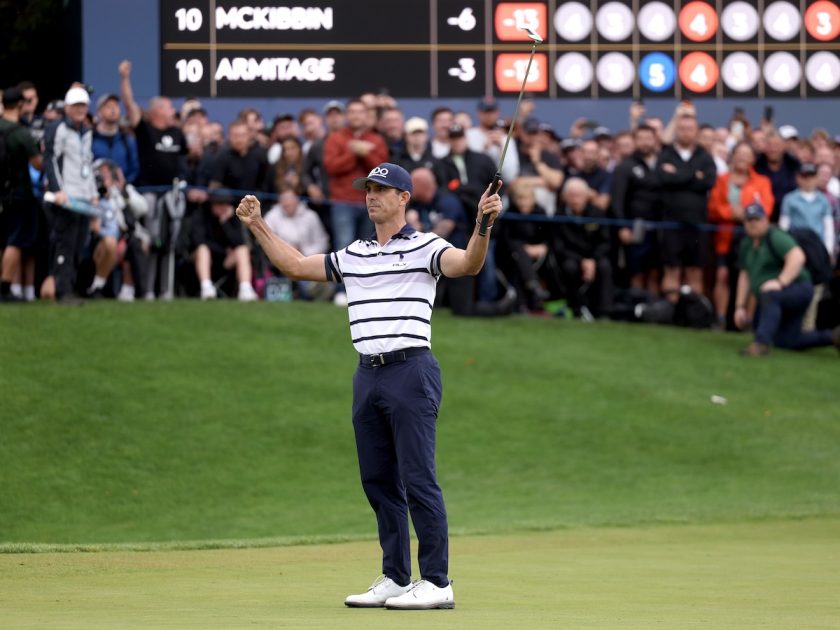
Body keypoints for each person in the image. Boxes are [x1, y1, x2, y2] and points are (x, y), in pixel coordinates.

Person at [235, 162, 503, 610]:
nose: (371, 195)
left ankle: (437, 581)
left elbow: (468, 264)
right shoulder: (355, 252)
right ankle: (397, 577)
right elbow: (298, 266)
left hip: (411, 371)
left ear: (404, 198)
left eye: (382, 189)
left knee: (418, 479)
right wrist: (258, 224)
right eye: (368, 189)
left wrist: (482, 224)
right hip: (368, 374)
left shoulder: (426, 246)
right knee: (378, 481)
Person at [734, 203, 839, 356]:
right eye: (749, 220)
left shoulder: (775, 236)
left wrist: (780, 282)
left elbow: (797, 257)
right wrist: (739, 306)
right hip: (782, 295)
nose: (752, 224)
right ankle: (833, 337)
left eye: (756, 219)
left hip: (799, 288)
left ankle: (761, 344)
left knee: (770, 294)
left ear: (765, 220)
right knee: (787, 341)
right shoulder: (746, 244)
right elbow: (744, 275)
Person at [707, 142, 774, 326]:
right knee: (723, 275)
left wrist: (743, 214)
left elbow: (765, 208)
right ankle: (720, 318)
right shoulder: (721, 179)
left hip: (751, 236)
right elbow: (713, 207)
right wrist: (731, 213)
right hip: (725, 236)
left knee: (751, 277)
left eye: (747, 154)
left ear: (753, 159)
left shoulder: (762, 182)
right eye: (739, 154)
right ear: (733, 156)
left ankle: (748, 321)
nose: (743, 158)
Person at [42, 86, 98, 303]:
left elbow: (87, 163)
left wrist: (92, 193)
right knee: (65, 243)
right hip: (65, 198)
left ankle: (69, 287)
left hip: (82, 198)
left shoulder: (86, 131)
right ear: (66, 108)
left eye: (83, 105)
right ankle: (62, 290)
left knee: (78, 244)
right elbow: (50, 159)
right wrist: (58, 190)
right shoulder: (57, 128)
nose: (80, 109)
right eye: (76, 106)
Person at [657, 114, 716, 301]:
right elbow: (663, 178)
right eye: (682, 129)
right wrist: (693, 176)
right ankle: (671, 314)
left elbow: (708, 181)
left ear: (696, 131)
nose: (686, 133)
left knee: (695, 271)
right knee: (671, 270)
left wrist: (678, 175)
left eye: (690, 129)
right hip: (671, 222)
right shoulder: (666, 154)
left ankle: (694, 315)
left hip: (697, 222)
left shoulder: (705, 156)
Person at [0, 86, 42, 302]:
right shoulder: (21, 133)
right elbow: (38, 163)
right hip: (18, 193)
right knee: (14, 242)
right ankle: (5, 288)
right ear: (19, 105)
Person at [610, 124, 661, 293]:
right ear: (635, 141)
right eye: (641, 139)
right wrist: (622, 226)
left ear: (655, 140)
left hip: (659, 226)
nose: (645, 143)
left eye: (649, 138)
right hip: (635, 225)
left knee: (654, 272)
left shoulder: (662, 164)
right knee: (637, 271)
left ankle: (653, 311)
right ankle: (637, 307)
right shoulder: (626, 166)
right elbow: (617, 199)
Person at [555, 178, 613, 319]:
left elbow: (605, 242)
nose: (575, 200)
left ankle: (604, 311)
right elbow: (559, 246)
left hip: (594, 257)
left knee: (605, 266)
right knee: (569, 267)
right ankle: (576, 308)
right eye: (572, 196)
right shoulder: (559, 215)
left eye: (579, 195)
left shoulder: (597, 213)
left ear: (587, 196)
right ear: (565, 197)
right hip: (572, 257)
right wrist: (582, 260)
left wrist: (592, 259)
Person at [91, 93, 139, 184]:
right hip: (96, 190)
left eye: (116, 106)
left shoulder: (127, 138)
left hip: (123, 190)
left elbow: (134, 167)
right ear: (99, 113)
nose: (113, 110)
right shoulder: (91, 138)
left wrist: (124, 183)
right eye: (108, 107)